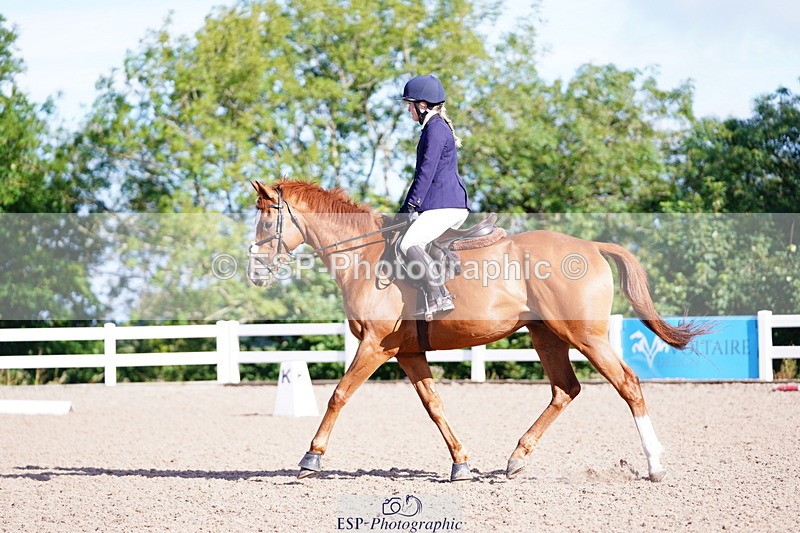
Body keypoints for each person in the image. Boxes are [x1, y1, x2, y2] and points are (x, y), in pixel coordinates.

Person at [396, 74, 470, 319]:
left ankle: (440, 296)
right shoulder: (434, 127)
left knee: (408, 243)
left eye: (411, 104)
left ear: (423, 105)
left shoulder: (435, 129)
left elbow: (426, 171)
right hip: (443, 204)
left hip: (444, 205)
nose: (408, 109)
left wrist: (410, 206)